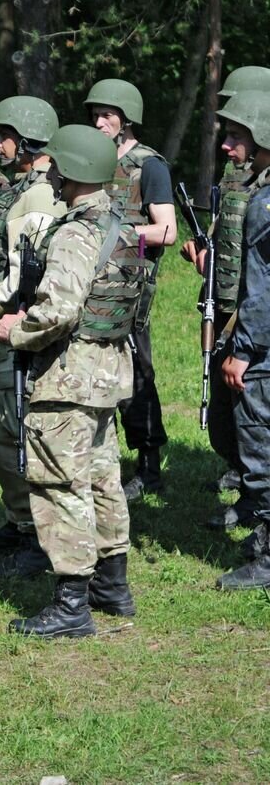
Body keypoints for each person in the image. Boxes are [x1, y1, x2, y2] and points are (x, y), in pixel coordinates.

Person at [0, 124, 146, 637]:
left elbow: (59, 310)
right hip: (107, 374)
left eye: (55, 165)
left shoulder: (75, 233)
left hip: (69, 377)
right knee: (103, 477)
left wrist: (18, 330)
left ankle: (71, 604)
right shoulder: (121, 224)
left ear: (72, 170)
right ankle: (112, 585)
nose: (50, 172)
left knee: (61, 483)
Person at [0, 96, 63, 577]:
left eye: (3, 134)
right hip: (0, 322)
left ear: (27, 138)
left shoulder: (39, 194)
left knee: (16, 430)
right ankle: (18, 520)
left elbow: (24, 272)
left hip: (14, 324)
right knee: (3, 430)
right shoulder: (17, 187)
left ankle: (36, 534)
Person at [83, 78, 177, 499]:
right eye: (96, 114)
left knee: (137, 375)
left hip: (131, 288)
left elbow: (168, 231)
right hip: (90, 285)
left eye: (108, 114)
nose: (99, 121)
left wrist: (118, 233)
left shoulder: (148, 165)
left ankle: (148, 466)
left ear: (126, 119)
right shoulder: (92, 160)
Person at [216, 91, 270, 588]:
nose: (234, 146)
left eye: (241, 135)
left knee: (260, 439)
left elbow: (262, 284)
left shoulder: (267, 200)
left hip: (264, 344)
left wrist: (245, 350)